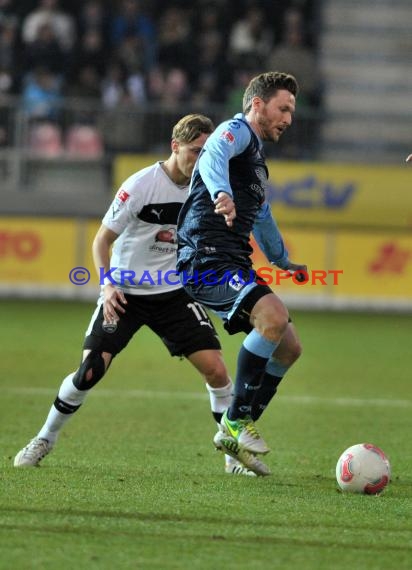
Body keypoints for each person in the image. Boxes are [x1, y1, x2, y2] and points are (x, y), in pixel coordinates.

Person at [14, 114, 265, 476]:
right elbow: (102, 239)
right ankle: (44, 439)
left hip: (176, 292)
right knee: (90, 371)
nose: (201, 159)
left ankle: (232, 457)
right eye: (195, 151)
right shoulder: (142, 184)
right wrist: (108, 283)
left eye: (207, 151)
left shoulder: (209, 184)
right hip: (126, 292)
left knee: (216, 371)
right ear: (175, 146)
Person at [176, 72, 307, 474]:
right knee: (271, 316)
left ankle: (236, 441)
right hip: (206, 256)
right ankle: (233, 423)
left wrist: (284, 261)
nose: (288, 118)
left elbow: (262, 216)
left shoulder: (254, 162)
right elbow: (213, 151)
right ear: (257, 105)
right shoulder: (236, 132)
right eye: (283, 108)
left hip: (232, 260)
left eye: (292, 111)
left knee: (288, 348)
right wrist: (220, 194)